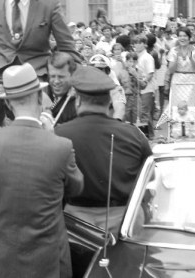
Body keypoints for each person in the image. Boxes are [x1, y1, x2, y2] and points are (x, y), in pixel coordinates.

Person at [0, 63, 84, 278]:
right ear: (39, 97)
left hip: (1, 259)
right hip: (47, 262)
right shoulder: (60, 145)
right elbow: (77, 187)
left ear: (7, 103)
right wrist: (51, 135)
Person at [55, 66, 152, 232]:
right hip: (125, 220)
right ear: (108, 102)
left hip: (76, 223)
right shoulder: (133, 134)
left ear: (78, 100)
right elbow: (150, 177)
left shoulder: (58, 134)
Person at [46, 52, 78, 125]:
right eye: (52, 76)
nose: (56, 81)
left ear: (72, 75)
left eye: (61, 77)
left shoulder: (76, 105)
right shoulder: (48, 93)